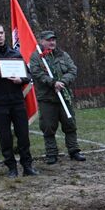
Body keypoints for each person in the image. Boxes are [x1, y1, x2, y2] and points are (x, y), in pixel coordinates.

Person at [0, 24, 36, 177]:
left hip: (17, 101)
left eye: (2, 33)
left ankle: (27, 166)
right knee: (5, 137)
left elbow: (29, 76)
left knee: (23, 135)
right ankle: (11, 167)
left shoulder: (15, 54)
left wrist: (20, 79)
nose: (0, 36)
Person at [28, 31, 83, 165]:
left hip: (64, 96)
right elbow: (37, 73)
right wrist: (53, 83)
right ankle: (51, 153)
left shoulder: (63, 55)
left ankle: (74, 150)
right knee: (48, 127)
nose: (52, 42)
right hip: (47, 98)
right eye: (48, 40)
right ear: (41, 41)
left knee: (70, 124)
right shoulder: (36, 57)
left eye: (53, 40)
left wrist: (62, 82)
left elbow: (72, 70)